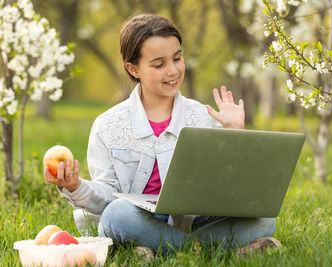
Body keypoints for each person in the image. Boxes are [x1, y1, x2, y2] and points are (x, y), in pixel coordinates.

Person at [44, 13, 280, 255]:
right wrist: (75, 186)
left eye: (177, 59)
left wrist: (235, 134)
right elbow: (106, 198)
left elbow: (229, 190)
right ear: (133, 68)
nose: (173, 71)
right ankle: (207, 249)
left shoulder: (202, 117)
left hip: (190, 221)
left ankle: (160, 248)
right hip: (134, 219)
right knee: (116, 214)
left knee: (264, 220)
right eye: (159, 64)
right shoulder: (108, 125)